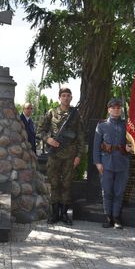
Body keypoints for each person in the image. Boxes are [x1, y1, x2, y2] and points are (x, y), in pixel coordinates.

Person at [38, 87, 84, 226]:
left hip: (70, 156)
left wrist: (79, 156)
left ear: (71, 98)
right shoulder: (51, 113)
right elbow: (40, 131)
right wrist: (48, 139)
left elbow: (81, 136)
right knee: (54, 184)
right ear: (59, 98)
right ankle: (54, 213)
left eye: (68, 95)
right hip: (54, 156)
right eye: (63, 95)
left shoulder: (76, 114)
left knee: (66, 184)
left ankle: (64, 213)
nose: (66, 98)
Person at [93, 98, 130, 229]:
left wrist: (130, 147)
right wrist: (97, 162)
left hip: (122, 162)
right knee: (107, 191)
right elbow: (96, 145)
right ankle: (108, 216)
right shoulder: (102, 125)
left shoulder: (127, 125)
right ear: (108, 109)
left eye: (118, 108)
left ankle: (116, 217)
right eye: (113, 108)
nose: (116, 110)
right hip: (106, 162)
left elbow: (133, 142)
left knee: (119, 191)